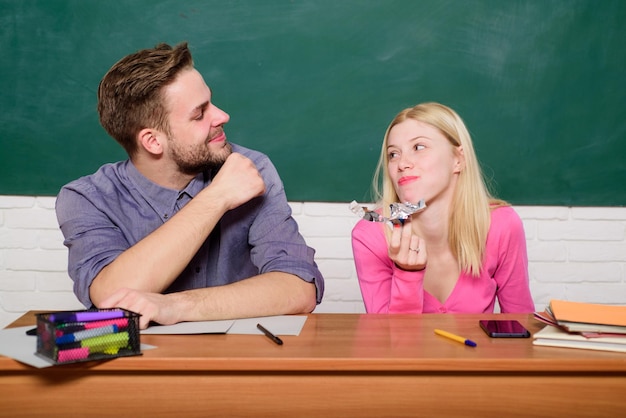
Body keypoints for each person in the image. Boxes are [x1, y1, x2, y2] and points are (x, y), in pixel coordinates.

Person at [56, 42, 324, 328]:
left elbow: (299, 288)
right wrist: (217, 197)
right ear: (153, 141)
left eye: (212, 102)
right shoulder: (87, 198)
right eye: (200, 114)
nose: (222, 116)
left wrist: (176, 305)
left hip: (239, 363)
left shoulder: (248, 168)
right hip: (141, 369)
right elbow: (111, 297)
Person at [352, 102, 534, 314]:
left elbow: (521, 324)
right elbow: (393, 341)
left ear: (458, 159)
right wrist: (407, 273)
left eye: (419, 147)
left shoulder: (502, 226)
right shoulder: (370, 235)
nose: (402, 164)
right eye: (394, 154)